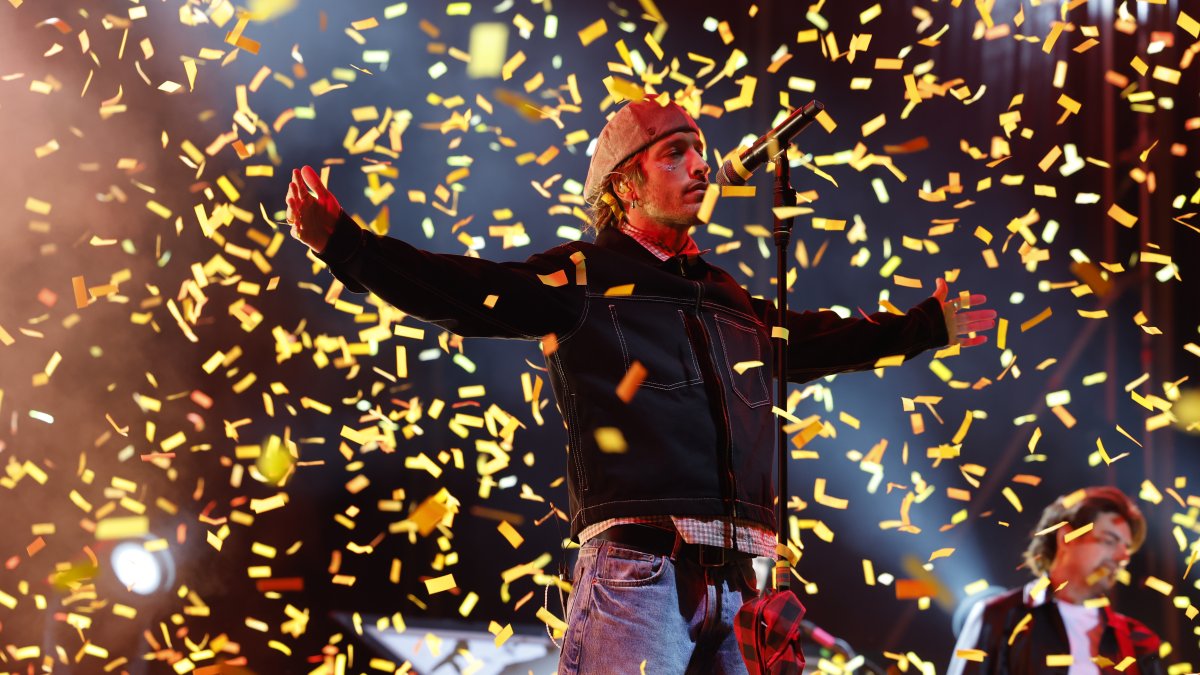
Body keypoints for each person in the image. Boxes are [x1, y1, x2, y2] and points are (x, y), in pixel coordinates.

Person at [287, 98, 996, 673]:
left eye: (700, 151)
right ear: (624, 184)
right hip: (640, 573)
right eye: (674, 152)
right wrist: (344, 244)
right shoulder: (583, 277)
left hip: (743, 584)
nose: (699, 165)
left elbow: (813, 339)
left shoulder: (729, 297)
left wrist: (923, 327)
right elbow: (469, 290)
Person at [948, 486, 1165, 675]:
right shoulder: (998, 617)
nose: (1122, 557)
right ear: (1065, 537)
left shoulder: (1138, 640)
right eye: (1109, 541)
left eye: (1126, 549)